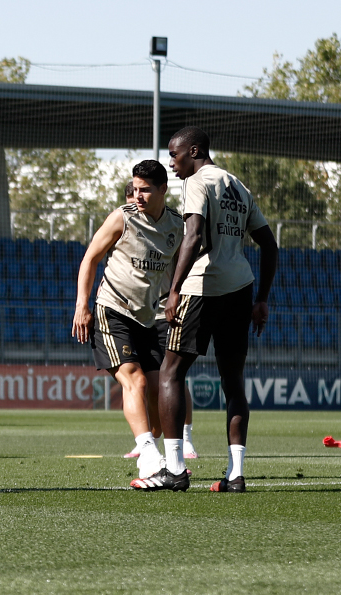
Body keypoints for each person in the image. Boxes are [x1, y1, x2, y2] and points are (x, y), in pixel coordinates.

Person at [132, 126, 278, 492]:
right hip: (240, 289)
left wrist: (175, 289)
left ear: (193, 151)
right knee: (233, 382)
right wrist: (262, 299)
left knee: (169, 374)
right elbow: (270, 245)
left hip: (201, 289)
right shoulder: (238, 186)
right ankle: (236, 474)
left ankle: (176, 470)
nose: (171, 162)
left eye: (174, 154)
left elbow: (194, 235)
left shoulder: (197, 182)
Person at [73, 161, 184, 481]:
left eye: (146, 189)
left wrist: (176, 301)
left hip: (151, 316)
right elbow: (90, 258)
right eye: (135, 188)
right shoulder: (121, 217)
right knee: (133, 380)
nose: (138, 195)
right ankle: (149, 456)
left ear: (163, 189)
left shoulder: (177, 225)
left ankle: (150, 442)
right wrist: (83, 305)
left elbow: (179, 268)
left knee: (158, 396)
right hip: (113, 309)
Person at [117, 179, 197, 461]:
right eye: (131, 199)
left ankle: (186, 439)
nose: (135, 204)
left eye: (140, 196)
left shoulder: (170, 227)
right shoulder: (127, 228)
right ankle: (147, 439)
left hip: (165, 309)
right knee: (147, 382)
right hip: (140, 313)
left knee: (174, 376)